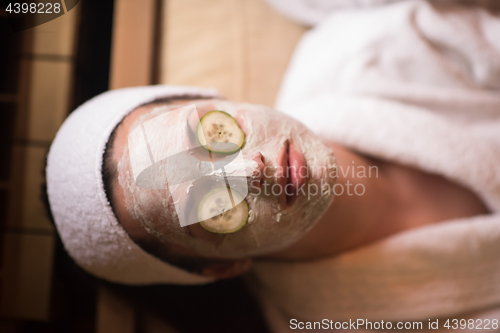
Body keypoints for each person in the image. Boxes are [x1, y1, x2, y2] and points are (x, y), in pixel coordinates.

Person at [46, 0, 500, 331]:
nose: (253, 169)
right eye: (212, 204)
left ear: (215, 98)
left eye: (213, 135)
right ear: (218, 268)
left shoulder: (358, 51)